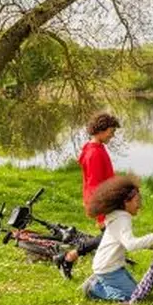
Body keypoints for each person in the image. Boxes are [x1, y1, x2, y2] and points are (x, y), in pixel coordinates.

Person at [81, 175, 153, 302]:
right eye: (137, 201)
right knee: (134, 297)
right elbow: (130, 245)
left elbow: (125, 240)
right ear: (125, 202)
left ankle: (101, 281)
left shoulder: (118, 216)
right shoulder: (122, 219)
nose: (139, 206)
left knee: (139, 291)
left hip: (112, 265)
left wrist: (150, 245)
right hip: (108, 268)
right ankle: (93, 288)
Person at [54, 112, 120, 279]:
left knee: (111, 237)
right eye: (111, 131)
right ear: (101, 130)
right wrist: (102, 208)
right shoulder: (94, 154)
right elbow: (95, 184)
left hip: (105, 199)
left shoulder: (96, 147)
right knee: (109, 237)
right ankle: (68, 258)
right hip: (100, 202)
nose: (112, 135)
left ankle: (71, 259)